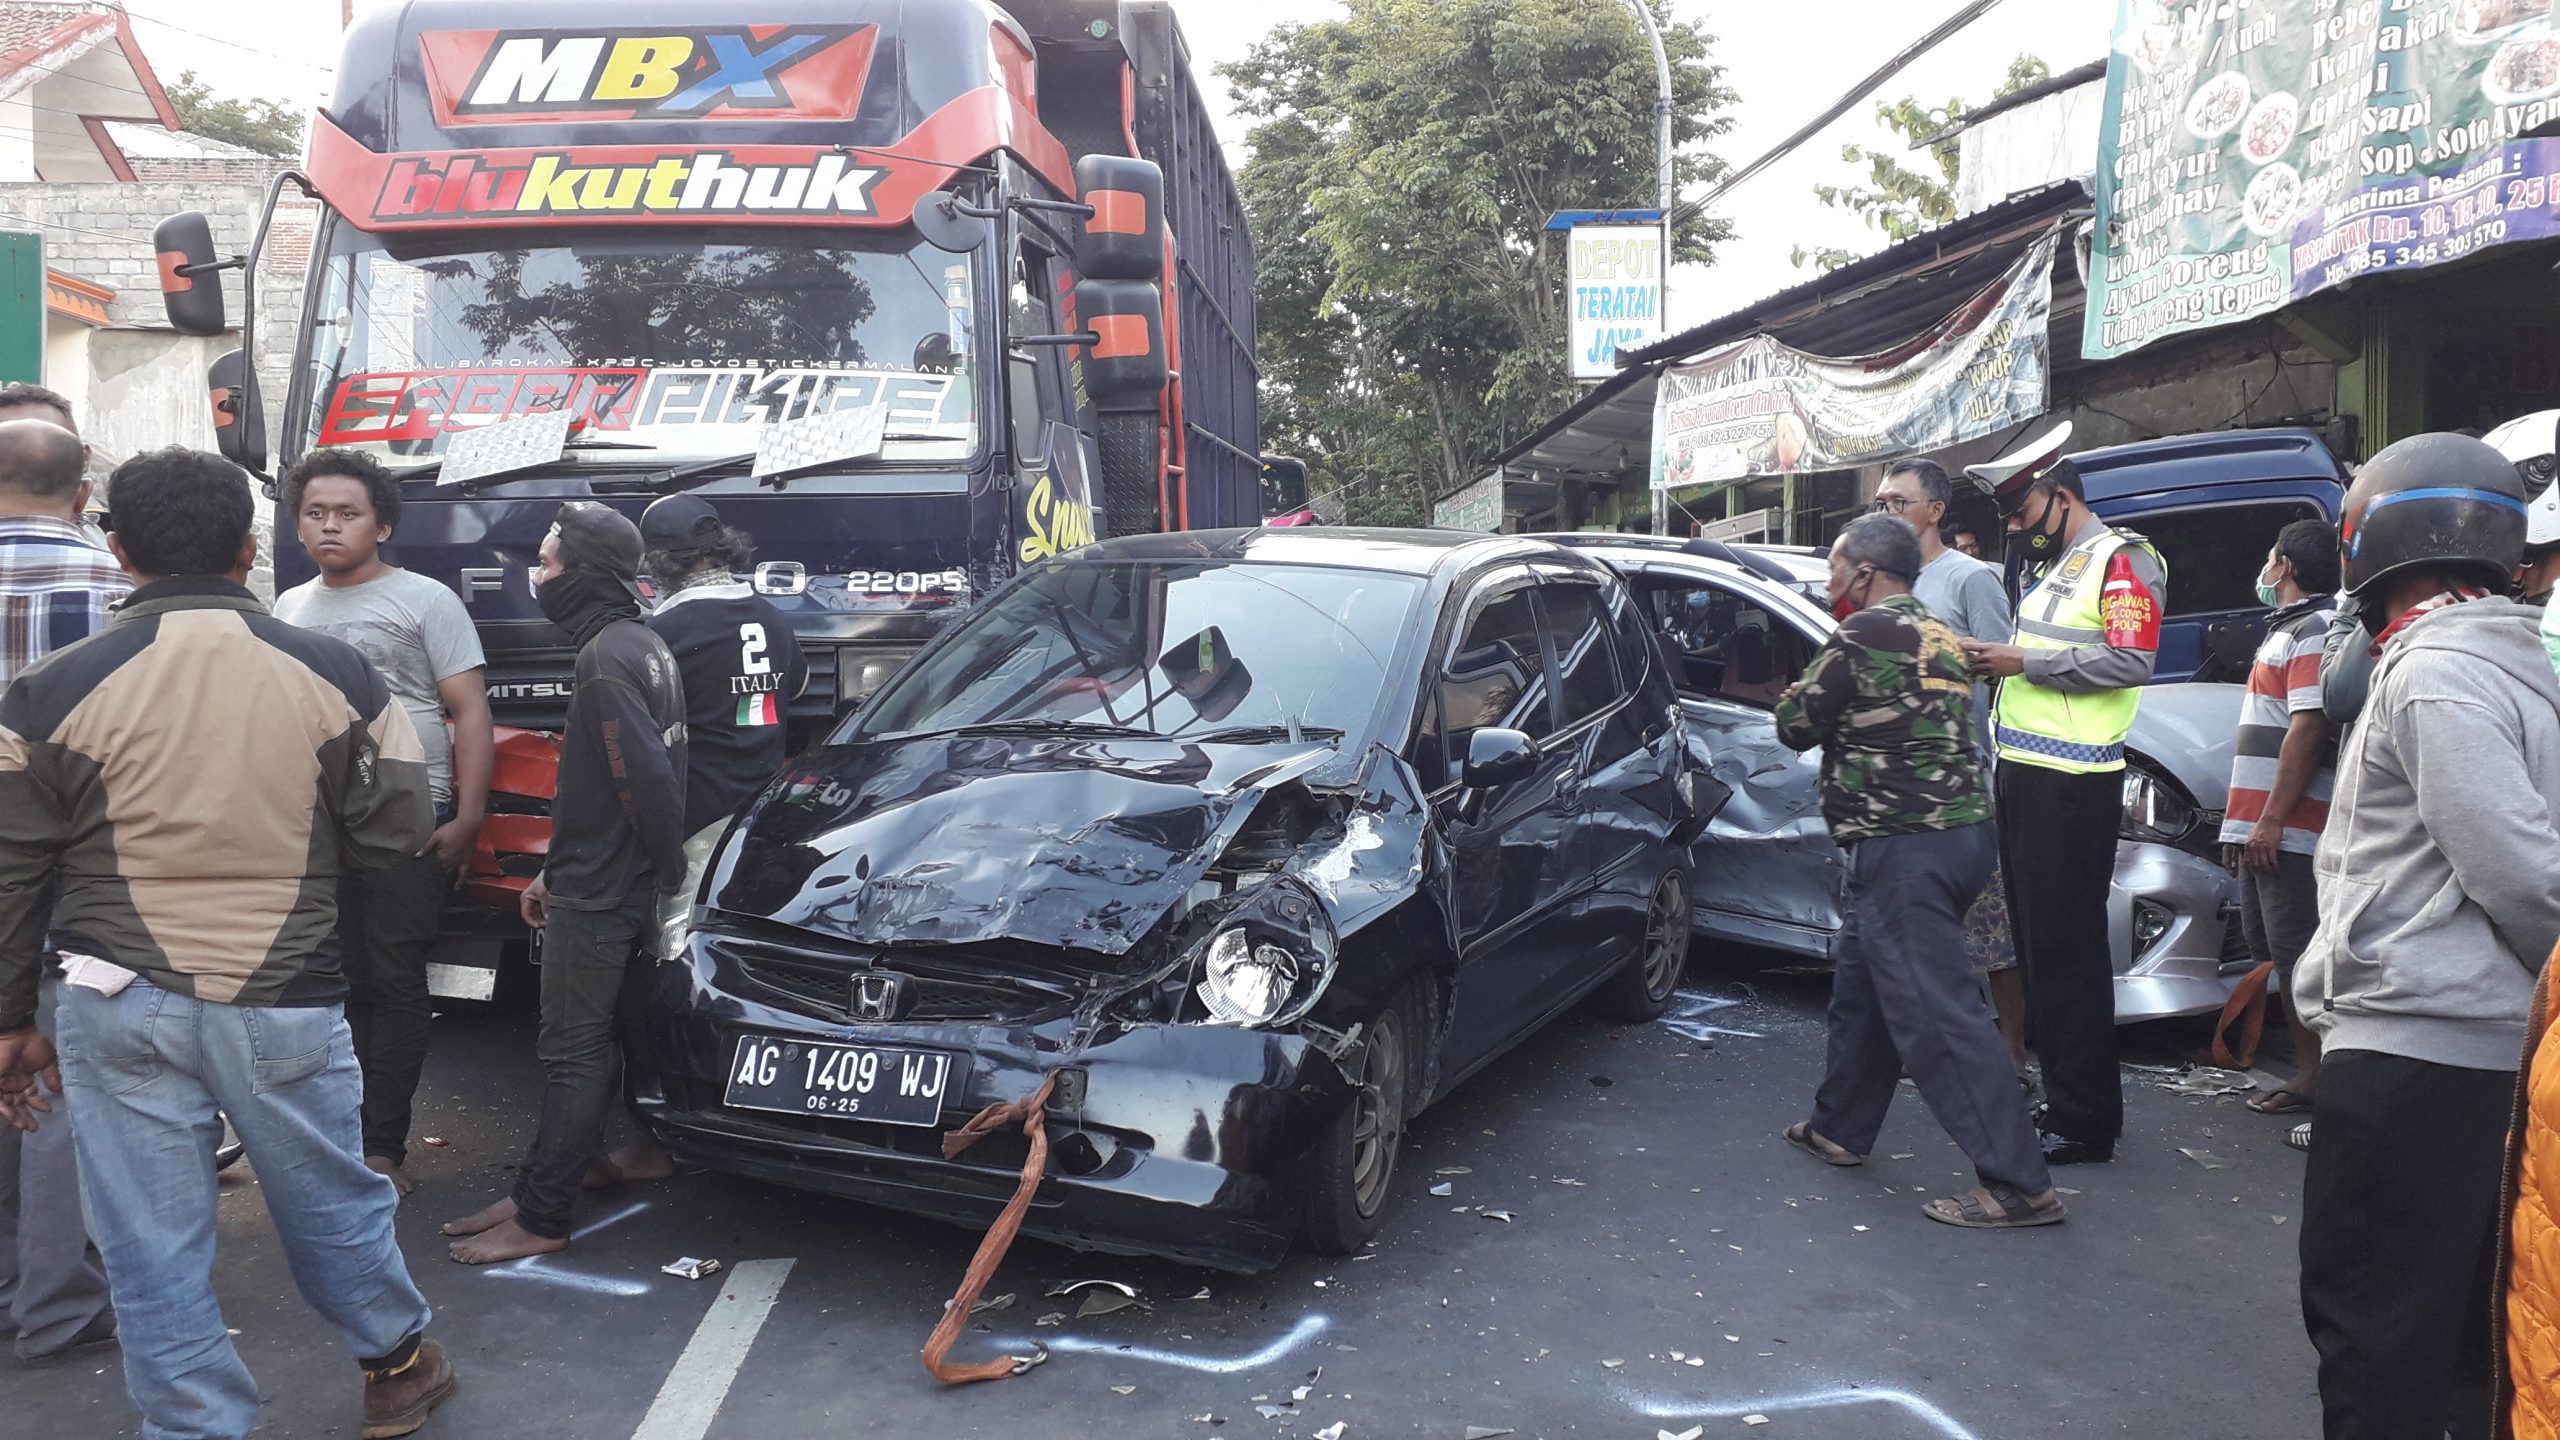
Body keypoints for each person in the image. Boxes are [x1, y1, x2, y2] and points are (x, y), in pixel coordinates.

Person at [0, 447, 457, 1438]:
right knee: (330, 1198)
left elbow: (12, 870)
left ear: (118, 552)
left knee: (146, 1239)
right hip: (285, 991)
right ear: (252, 550)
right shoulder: (339, 674)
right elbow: (395, 833)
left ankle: (197, 1425)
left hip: (111, 1000)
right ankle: (396, 1368)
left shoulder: (48, 691)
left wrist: (8, 1022)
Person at [2290, 433, 2560, 1440]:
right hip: (2490, 1054)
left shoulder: (2434, 673)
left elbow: (2519, 871)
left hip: (2415, 1052)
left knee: (2371, 1327)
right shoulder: (2518, 661)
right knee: (2460, 1338)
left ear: (2369, 550)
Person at [1771, 515, 2061, 1229]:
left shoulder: (1864, 632)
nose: (1832, 584)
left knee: (1937, 1015)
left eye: (1837, 570)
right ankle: (1839, 1125)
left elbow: (1794, 721)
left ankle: (2019, 1184)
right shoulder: (1935, 632)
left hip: (1906, 844)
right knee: (1863, 988)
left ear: (1866, 574)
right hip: (1957, 838)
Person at [444, 503, 686, 1265]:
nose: (536, 577)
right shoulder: (642, 643)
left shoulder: (605, 659)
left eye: (547, 564)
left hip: (600, 891)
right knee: (606, 1042)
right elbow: (616, 785)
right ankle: (572, 1170)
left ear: (583, 573)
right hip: (596, 878)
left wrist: (644, 873)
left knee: (571, 1052)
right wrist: (560, 866)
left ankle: (544, 1213)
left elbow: (643, 782)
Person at [273, 449, 491, 1197]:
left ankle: (381, 1147)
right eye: (315, 513)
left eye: (348, 513)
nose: (330, 526)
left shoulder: (426, 600)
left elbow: (469, 713)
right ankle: (333, 1135)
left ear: (382, 525)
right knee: (331, 984)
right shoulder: (287, 609)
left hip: (410, 818)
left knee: (394, 981)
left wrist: (467, 816)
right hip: (314, 826)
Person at [1959, 421, 2168, 1167]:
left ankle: (2085, 1121)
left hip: (2075, 785)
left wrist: (2022, 659)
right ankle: (2065, 1101)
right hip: (2026, 775)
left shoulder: (2123, 560)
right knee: (2040, 952)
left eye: (2021, 513)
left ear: (2062, 495)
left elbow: (2129, 660)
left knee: (2068, 954)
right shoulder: (2057, 566)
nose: (2015, 528)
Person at [600, 494, 806, 1185]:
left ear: (656, 564)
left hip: (693, 828)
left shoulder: (664, 632)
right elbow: (792, 691)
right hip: (756, 822)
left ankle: (667, 1135)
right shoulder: (771, 619)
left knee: (670, 976)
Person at [0, 417, 118, 1362]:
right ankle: (56, 1306)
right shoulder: (123, 597)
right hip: (74, 881)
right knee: (52, 1085)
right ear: (83, 493)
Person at [1879, 457, 2028, 1077]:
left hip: (1964, 781)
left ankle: (2013, 1055)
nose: (1884, 513)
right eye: (1880, 504)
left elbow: (2003, 672)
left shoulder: (1969, 579)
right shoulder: (1886, 582)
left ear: (1934, 511)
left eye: (1897, 503)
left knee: (1992, 929)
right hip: (1899, 785)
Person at [2219, 520, 2339, 1121]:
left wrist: (2268, 821)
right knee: (2277, 952)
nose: (2266, 568)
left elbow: (2309, 727)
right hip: (2262, 823)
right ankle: (2307, 1072)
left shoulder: (2314, 629)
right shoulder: (2288, 628)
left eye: (2270, 555)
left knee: (2300, 956)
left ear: (2284, 564)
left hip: (2288, 826)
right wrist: (2240, 826)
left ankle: (2315, 1076)